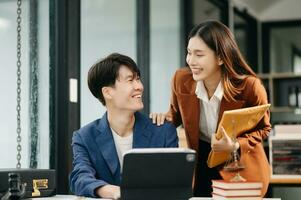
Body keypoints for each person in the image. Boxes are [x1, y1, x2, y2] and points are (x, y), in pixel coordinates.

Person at [150, 20, 271, 197]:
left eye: (199, 55)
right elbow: (175, 115)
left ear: (221, 57)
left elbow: (264, 128)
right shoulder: (181, 80)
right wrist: (162, 118)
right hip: (201, 165)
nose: (191, 61)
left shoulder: (250, 87)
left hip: (240, 165)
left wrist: (236, 145)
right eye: (189, 53)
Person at [69, 53, 178, 199]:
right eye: (130, 80)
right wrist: (113, 191)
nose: (139, 86)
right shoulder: (84, 137)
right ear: (108, 92)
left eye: (138, 79)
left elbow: (175, 182)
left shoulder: (164, 131)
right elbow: (79, 178)